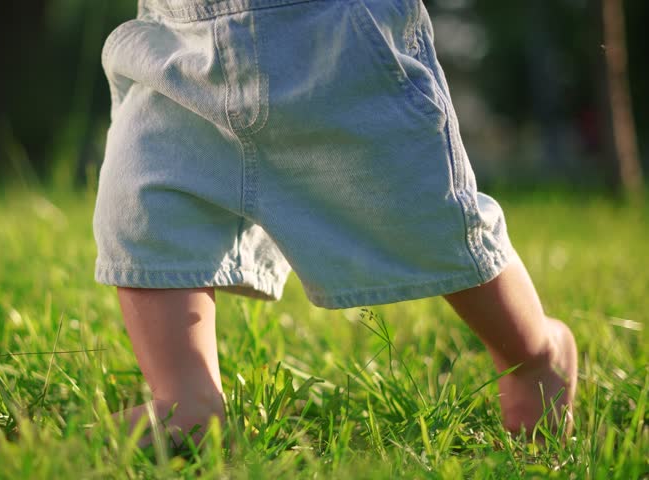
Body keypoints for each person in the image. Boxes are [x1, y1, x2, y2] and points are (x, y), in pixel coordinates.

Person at [93, 0, 577, 445]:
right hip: (178, 42)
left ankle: (534, 354)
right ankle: (187, 401)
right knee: (142, 206)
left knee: (428, 215)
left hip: (333, 38)